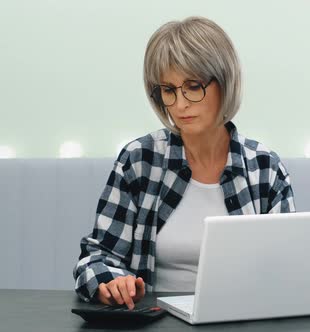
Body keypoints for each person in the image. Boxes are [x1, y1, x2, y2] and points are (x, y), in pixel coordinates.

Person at [73, 16, 296, 310]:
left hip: (243, 320)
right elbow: (96, 257)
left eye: (193, 86)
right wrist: (111, 282)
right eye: (168, 90)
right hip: (157, 323)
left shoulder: (265, 168)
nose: (180, 105)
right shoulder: (139, 160)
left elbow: (289, 274)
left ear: (225, 83)